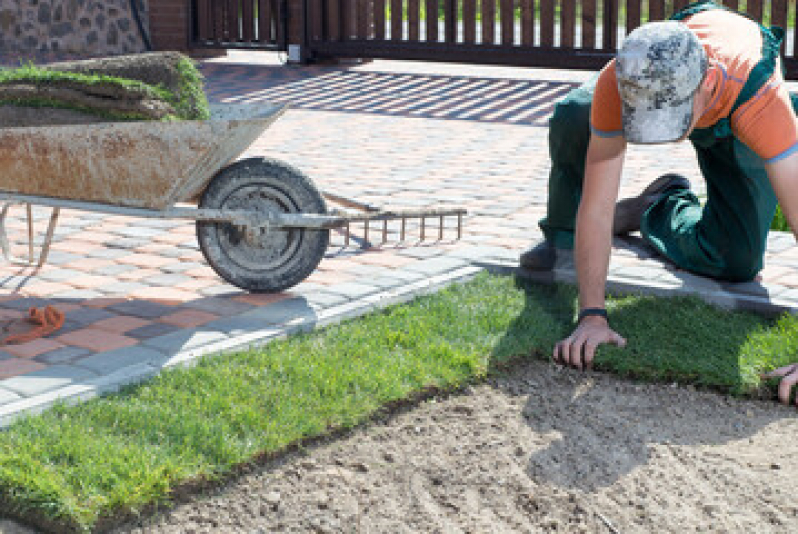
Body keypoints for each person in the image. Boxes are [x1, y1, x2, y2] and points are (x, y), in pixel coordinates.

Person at [520, 0, 798, 406]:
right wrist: (592, 315)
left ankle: (659, 204)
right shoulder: (623, 80)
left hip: (737, 102)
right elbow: (597, 204)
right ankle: (562, 236)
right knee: (574, 113)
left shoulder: (761, 104)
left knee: (737, 261)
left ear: (704, 85)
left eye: (672, 119)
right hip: (687, 70)